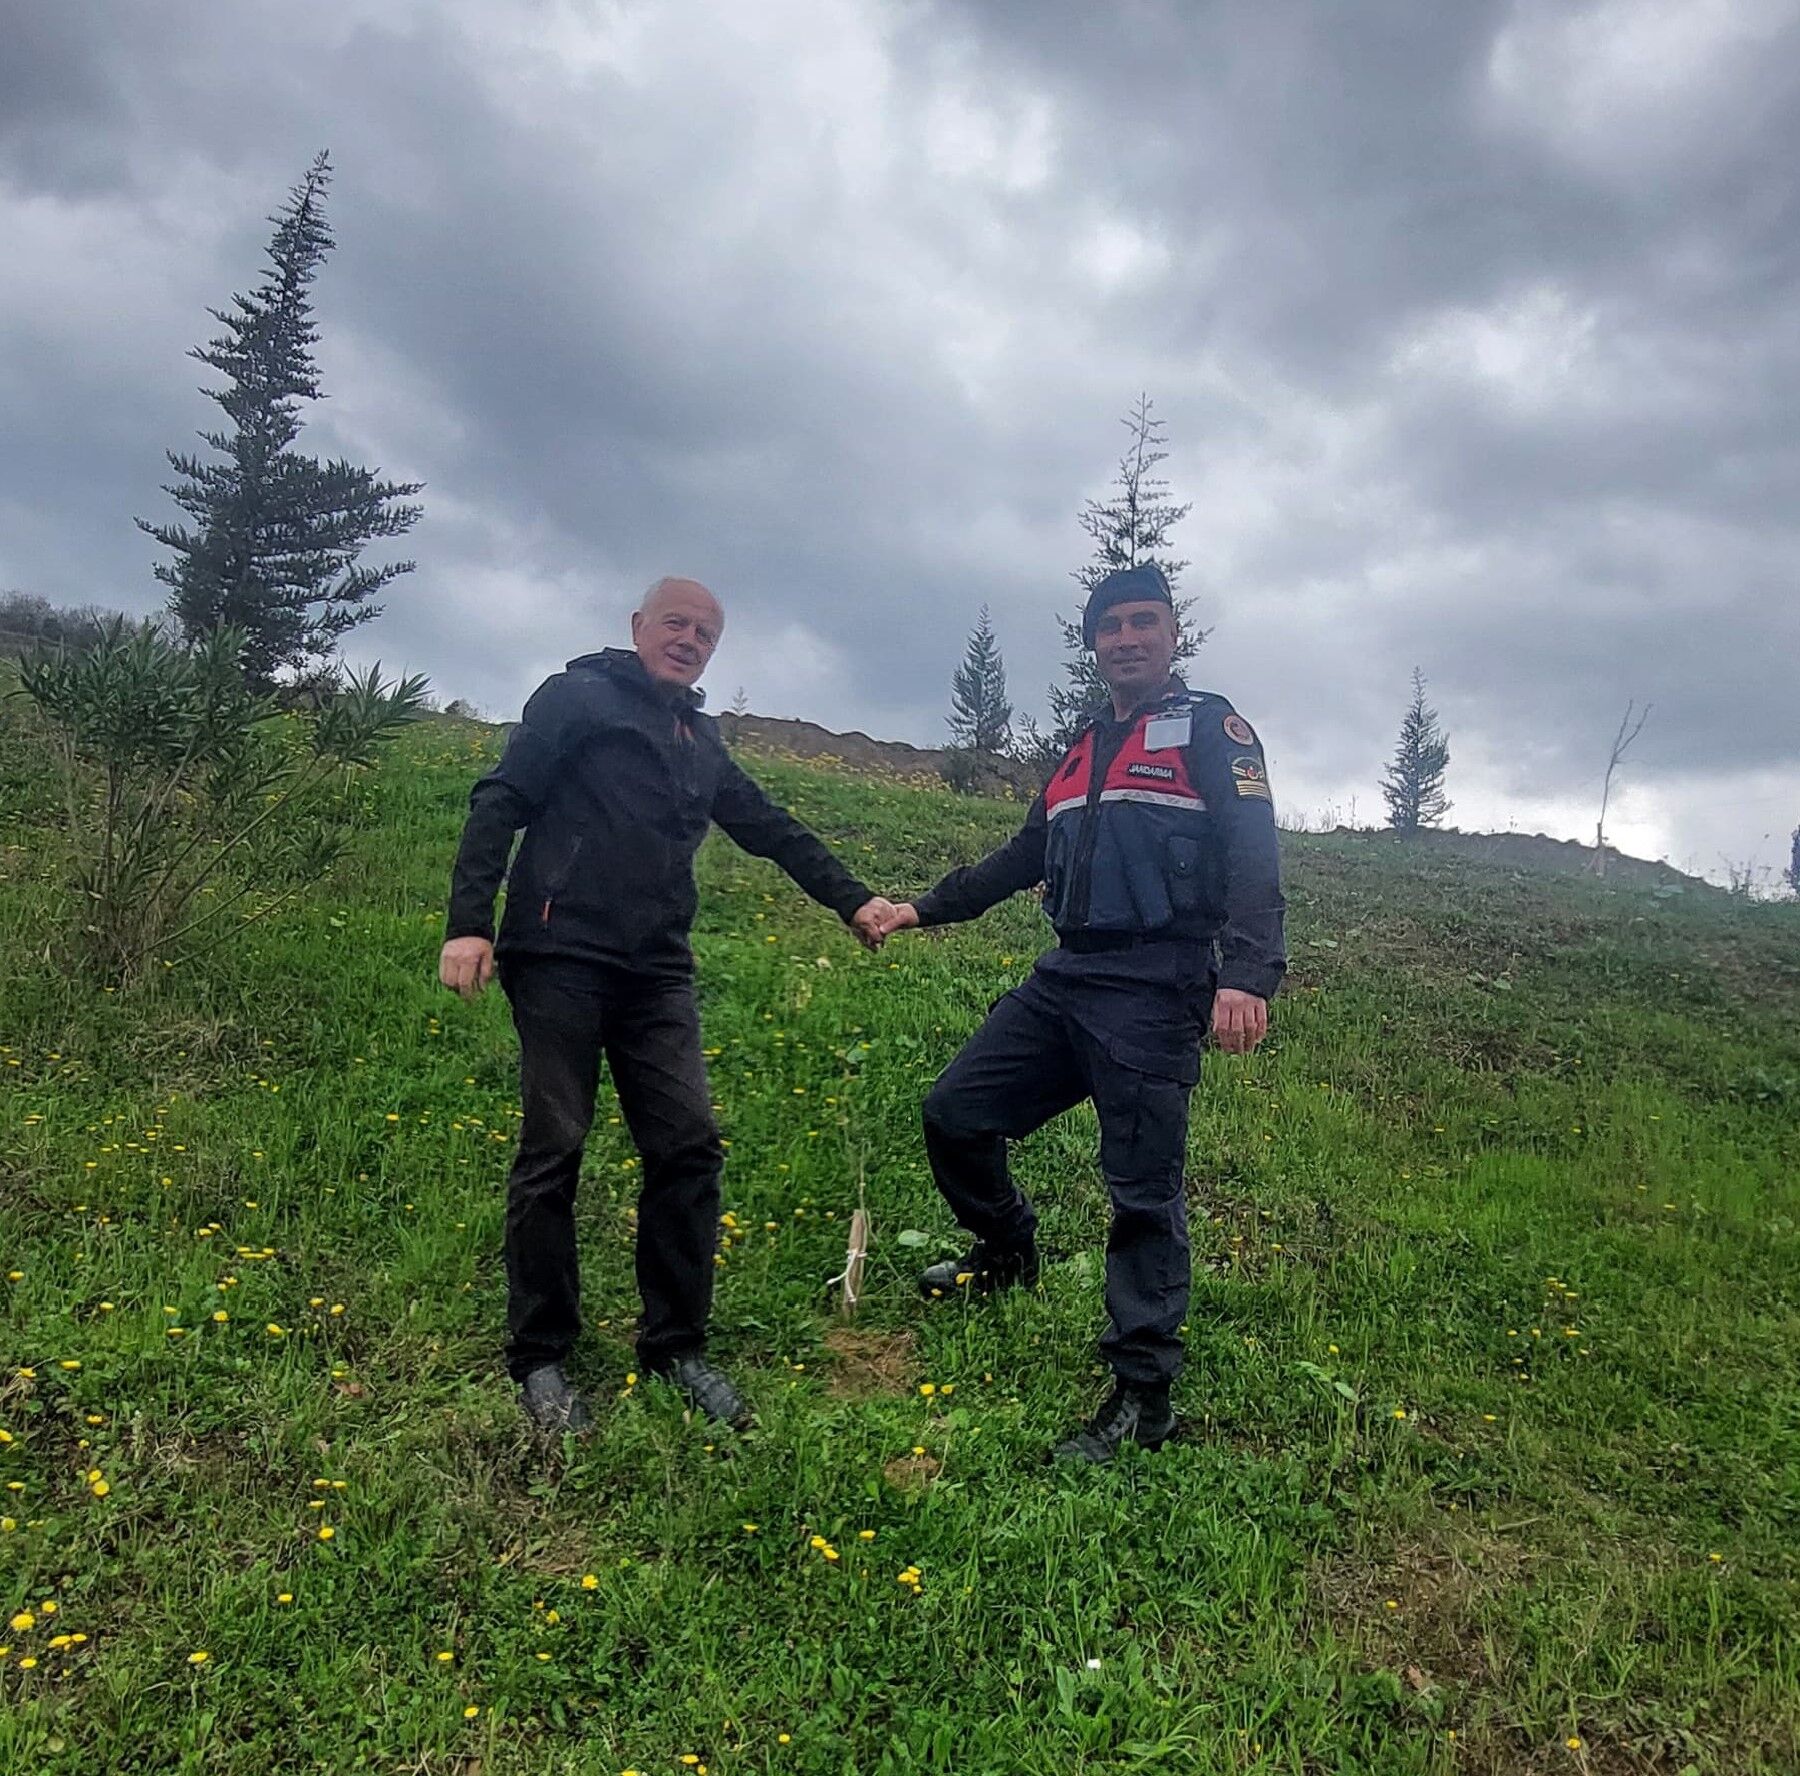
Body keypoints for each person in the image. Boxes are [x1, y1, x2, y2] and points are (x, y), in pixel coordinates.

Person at [440, 577, 894, 1435]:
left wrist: (851, 898)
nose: (689, 640)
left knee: (688, 1147)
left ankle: (677, 1345)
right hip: (558, 952)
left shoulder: (699, 735)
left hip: (655, 971)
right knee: (555, 1149)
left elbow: (767, 823)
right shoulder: (577, 698)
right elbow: (500, 800)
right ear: (638, 626)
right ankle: (540, 1357)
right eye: (676, 624)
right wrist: (470, 925)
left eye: (706, 633)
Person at [873, 564, 1285, 1463]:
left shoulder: (1216, 731)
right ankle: (1008, 1251)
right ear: (1093, 643)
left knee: (1142, 1196)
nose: (1126, 638)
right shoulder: (1081, 750)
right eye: (1110, 627)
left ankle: (1144, 1395)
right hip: (1065, 980)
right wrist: (920, 909)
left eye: (1144, 622)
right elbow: (1024, 853)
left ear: (1173, 635)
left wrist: (1247, 975)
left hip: (1157, 986)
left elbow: (1254, 852)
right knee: (956, 1114)